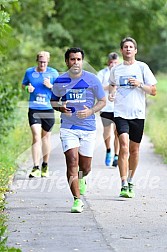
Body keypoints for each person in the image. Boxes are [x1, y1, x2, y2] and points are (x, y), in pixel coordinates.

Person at [51, 47, 106, 213]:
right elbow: (53, 102)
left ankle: (82, 178)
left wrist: (90, 111)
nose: (75, 62)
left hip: (88, 128)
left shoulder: (92, 79)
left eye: (78, 59)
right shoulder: (60, 81)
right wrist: (61, 108)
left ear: (82, 61)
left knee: (85, 167)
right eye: (72, 59)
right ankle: (77, 200)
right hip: (68, 127)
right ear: (67, 62)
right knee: (72, 161)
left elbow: (103, 101)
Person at [108, 37, 157, 198]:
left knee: (134, 151)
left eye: (131, 47)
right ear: (122, 50)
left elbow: (153, 90)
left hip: (137, 114)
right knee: (123, 146)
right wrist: (112, 93)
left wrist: (139, 84)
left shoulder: (142, 67)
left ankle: (130, 180)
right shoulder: (116, 69)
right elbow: (113, 85)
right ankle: (123, 184)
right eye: (125, 47)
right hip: (121, 113)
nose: (128, 49)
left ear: (135, 50)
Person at [22, 51, 59, 178]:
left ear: (48, 61)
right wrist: (28, 89)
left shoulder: (53, 73)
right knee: (36, 136)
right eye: (40, 61)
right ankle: (35, 167)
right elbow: (24, 84)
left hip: (48, 109)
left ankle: (45, 165)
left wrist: (50, 86)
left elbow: (59, 90)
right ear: (37, 61)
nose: (42, 64)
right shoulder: (29, 72)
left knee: (45, 138)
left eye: (45, 62)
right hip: (34, 108)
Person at [97, 52, 119, 167]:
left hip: (118, 108)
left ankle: (116, 155)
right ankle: (109, 150)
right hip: (105, 107)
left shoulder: (121, 72)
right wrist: (111, 85)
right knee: (107, 132)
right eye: (111, 62)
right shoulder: (102, 73)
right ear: (108, 62)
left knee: (117, 132)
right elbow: (98, 88)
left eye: (115, 62)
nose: (113, 65)